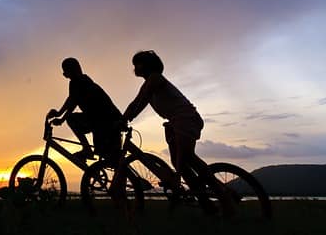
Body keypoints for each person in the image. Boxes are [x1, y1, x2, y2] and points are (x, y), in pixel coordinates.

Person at [122, 50, 226, 213]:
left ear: (147, 65)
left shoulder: (155, 78)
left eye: (138, 63)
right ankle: (206, 204)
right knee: (181, 164)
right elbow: (135, 102)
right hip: (175, 122)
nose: (135, 67)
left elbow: (140, 102)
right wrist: (123, 118)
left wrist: (126, 118)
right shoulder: (148, 82)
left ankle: (223, 196)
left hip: (185, 118)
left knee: (186, 159)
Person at [47, 57, 123, 162]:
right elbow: (72, 99)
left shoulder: (78, 82)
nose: (64, 74)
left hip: (105, 120)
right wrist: (59, 114)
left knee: (111, 158)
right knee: (111, 159)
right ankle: (87, 150)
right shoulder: (81, 81)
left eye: (65, 71)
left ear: (70, 71)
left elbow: (73, 101)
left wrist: (61, 118)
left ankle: (87, 149)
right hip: (104, 119)